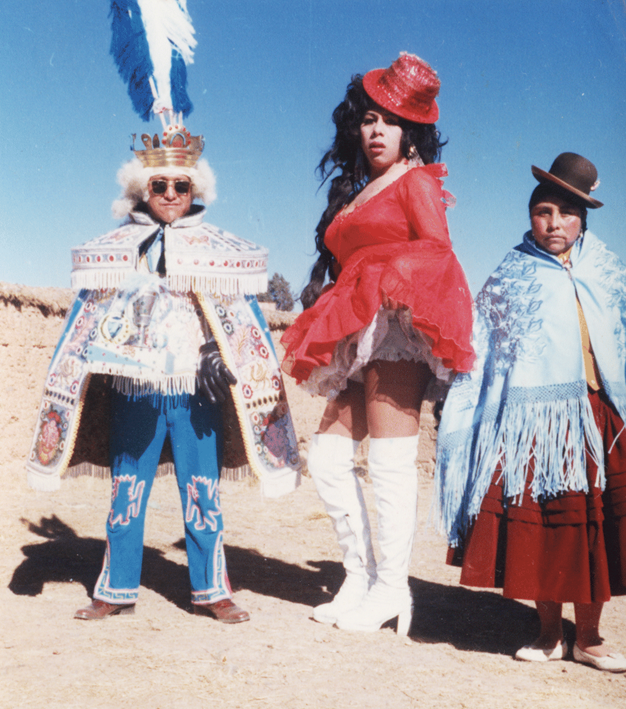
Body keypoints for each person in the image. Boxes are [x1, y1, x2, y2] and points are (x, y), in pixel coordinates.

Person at [26, 123, 300, 622]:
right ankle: (115, 589)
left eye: (181, 186)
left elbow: (238, 319)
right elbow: (86, 322)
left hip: (197, 392)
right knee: (127, 490)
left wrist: (223, 353)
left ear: (196, 189)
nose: (171, 195)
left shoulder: (217, 250)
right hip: (135, 389)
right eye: (160, 186)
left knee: (202, 489)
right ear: (141, 188)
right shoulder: (117, 250)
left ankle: (212, 588)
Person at [281, 52, 475, 634]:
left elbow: (438, 251)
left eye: (388, 122)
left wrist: (385, 280)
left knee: (389, 465)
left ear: (409, 131)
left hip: (393, 331)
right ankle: (359, 577)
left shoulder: (417, 181)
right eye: (368, 120)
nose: (375, 131)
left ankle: (392, 589)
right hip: (355, 330)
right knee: (331, 459)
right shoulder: (365, 189)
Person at [435, 153, 626, 671]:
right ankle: (548, 634)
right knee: (545, 530)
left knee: (592, 532)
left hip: (599, 419)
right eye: (544, 212)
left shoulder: (608, 270)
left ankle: (588, 636)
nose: (555, 223)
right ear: (530, 217)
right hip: (533, 430)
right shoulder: (510, 278)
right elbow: (486, 354)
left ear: (583, 219)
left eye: (566, 214)